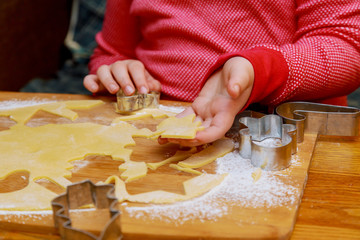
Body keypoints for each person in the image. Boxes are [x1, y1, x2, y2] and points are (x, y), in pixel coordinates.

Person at [83, 0, 360, 146]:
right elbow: (112, 52)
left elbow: (347, 47)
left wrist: (259, 71)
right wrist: (117, 71)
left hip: (282, 134)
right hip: (154, 131)